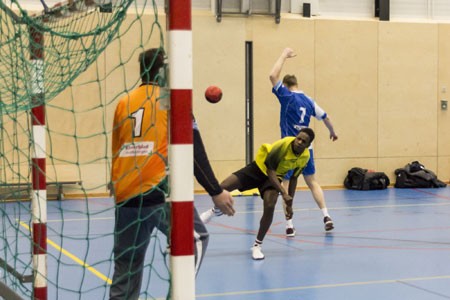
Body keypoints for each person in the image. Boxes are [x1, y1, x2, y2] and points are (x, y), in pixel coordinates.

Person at [109, 48, 235, 300]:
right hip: (158, 190)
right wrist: (215, 190)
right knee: (197, 238)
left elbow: (117, 148)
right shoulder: (170, 99)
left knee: (127, 265)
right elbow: (193, 149)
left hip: (125, 194)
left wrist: (116, 184)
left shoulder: (124, 102)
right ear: (166, 70)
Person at [204, 128, 314, 260]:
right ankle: (216, 210)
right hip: (259, 169)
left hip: (274, 178)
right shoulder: (283, 145)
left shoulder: (305, 157)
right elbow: (270, 170)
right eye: (298, 138)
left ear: (308, 145)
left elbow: (294, 178)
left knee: (270, 205)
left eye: (303, 141)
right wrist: (284, 193)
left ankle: (257, 246)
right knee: (223, 187)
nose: (299, 142)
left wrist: (289, 203)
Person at [269, 47, 338, 236]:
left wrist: (283, 55)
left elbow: (272, 75)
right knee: (312, 182)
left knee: (286, 185)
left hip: (290, 149)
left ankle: (289, 224)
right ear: (297, 84)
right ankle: (326, 215)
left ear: (286, 85)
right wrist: (332, 132)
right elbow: (326, 117)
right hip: (307, 150)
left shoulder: (287, 97)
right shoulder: (308, 101)